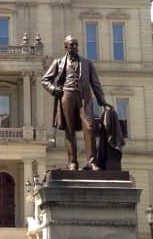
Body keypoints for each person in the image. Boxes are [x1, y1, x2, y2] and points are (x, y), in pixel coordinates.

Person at [41, 34, 109, 170]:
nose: (74, 46)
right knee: (69, 130)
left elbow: (96, 84)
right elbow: (45, 80)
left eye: (76, 44)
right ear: (66, 47)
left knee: (89, 128)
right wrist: (54, 89)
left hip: (84, 98)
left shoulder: (87, 63)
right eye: (71, 44)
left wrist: (102, 102)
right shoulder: (58, 62)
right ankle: (72, 162)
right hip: (67, 96)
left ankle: (92, 162)